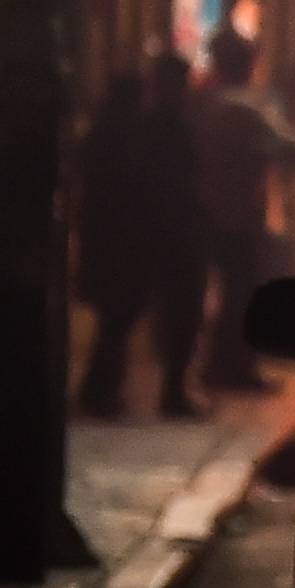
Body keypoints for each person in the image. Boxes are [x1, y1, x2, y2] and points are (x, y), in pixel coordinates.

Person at [74, 54, 205, 420]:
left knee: (119, 319)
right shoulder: (148, 130)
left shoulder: (128, 131)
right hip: (151, 235)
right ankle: (108, 391)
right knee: (136, 316)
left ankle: (101, 390)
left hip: (129, 238)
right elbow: (162, 186)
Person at [188, 25, 295, 397]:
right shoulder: (243, 105)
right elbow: (290, 148)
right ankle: (232, 367)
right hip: (237, 216)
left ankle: (223, 365)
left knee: (227, 293)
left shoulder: (204, 102)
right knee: (241, 293)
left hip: (209, 212)